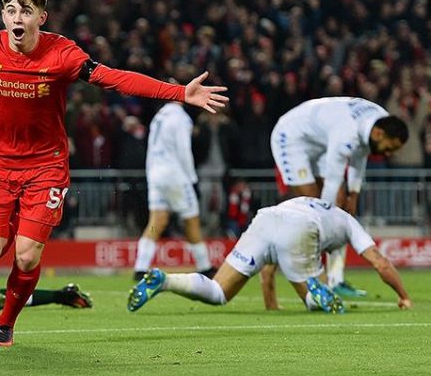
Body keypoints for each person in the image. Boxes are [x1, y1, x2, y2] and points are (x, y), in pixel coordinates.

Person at [0, 0, 228, 346]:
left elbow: (115, 79)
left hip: (45, 168)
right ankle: (20, 225)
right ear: (3, 16)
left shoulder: (62, 55)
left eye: (25, 10)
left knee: (25, 257)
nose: (16, 17)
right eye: (10, 10)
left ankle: (6, 321)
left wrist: (180, 92)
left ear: (42, 17)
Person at [127, 197, 412, 314]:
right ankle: (316, 292)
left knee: (218, 292)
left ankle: (165, 281)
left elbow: (269, 266)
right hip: (303, 229)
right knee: (319, 303)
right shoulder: (349, 221)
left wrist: (272, 306)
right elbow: (380, 262)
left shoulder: (308, 201)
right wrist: (403, 295)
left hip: (267, 218)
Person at [270, 97, 408, 300]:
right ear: (379, 134)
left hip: (322, 141)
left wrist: (354, 195)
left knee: (342, 204)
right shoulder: (347, 132)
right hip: (292, 137)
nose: (389, 153)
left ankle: (336, 280)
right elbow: (332, 184)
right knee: (311, 203)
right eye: (390, 147)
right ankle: (287, 265)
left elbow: (359, 158)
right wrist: (326, 220)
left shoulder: (378, 120)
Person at [133, 101, 213, 280]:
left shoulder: (158, 117)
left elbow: (151, 149)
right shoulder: (180, 118)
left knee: (156, 221)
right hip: (175, 175)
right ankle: (205, 267)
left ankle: (140, 267)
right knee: (191, 219)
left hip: (155, 174)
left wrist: (150, 175)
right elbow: (184, 150)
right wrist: (192, 179)